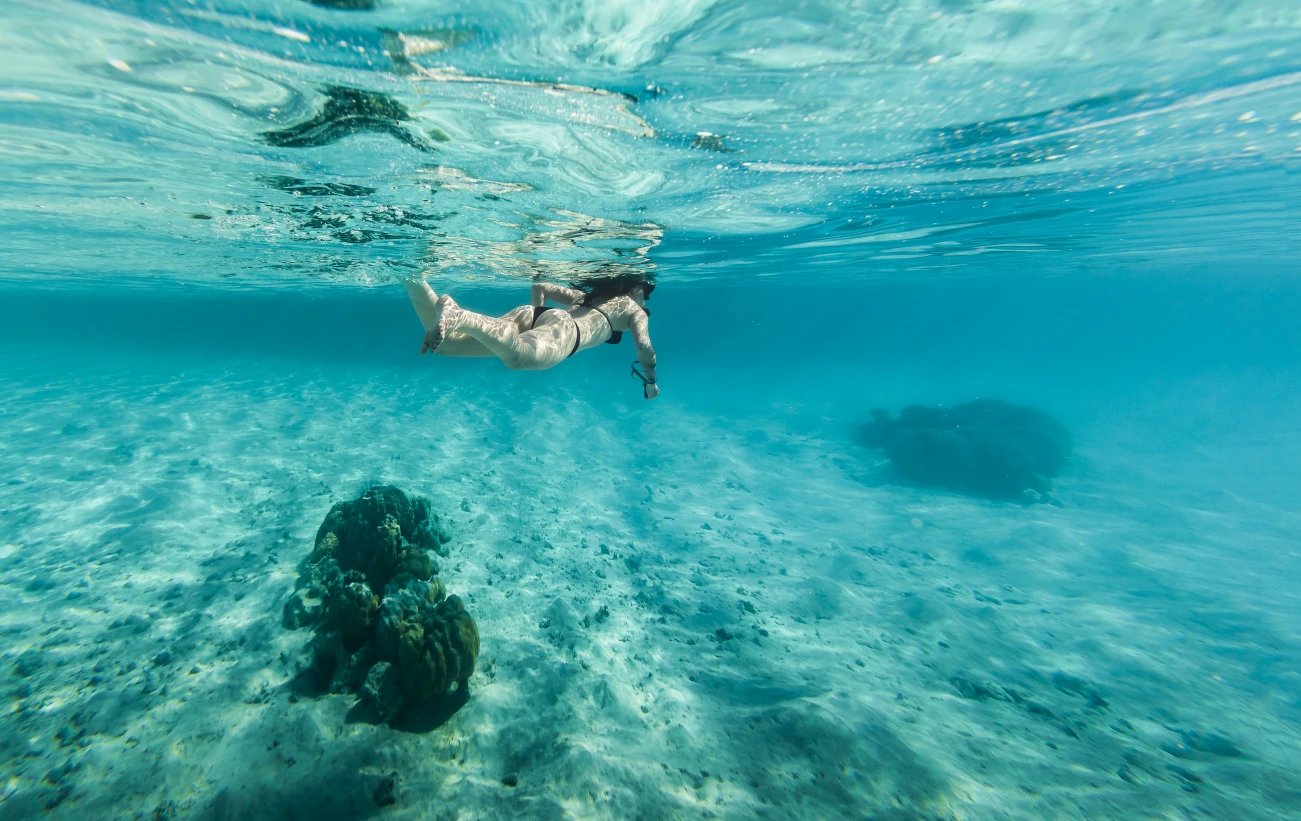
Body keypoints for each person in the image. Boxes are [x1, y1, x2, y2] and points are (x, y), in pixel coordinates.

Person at [402, 273, 660, 399]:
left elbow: (540, 287)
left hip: (539, 314)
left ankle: (413, 280)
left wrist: (537, 315)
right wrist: (651, 383)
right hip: (566, 332)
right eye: (646, 293)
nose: (645, 299)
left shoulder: (588, 297)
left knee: (448, 345)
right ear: (635, 287)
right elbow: (645, 348)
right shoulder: (635, 311)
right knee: (517, 358)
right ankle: (461, 316)